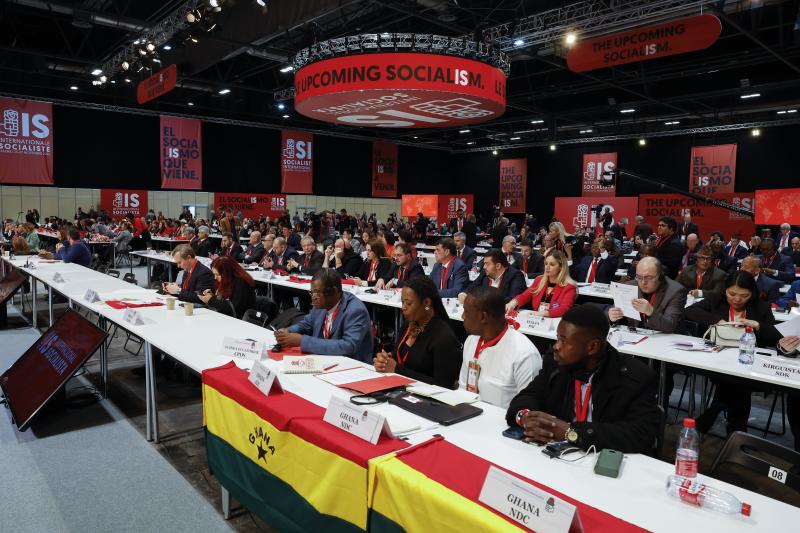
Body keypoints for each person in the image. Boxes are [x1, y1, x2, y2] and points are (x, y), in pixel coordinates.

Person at [506, 304, 661, 454]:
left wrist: (573, 433)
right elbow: (527, 396)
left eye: (564, 341)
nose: (556, 346)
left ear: (592, 347)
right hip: (557, 459)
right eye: (557, 338)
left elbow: (641, 434)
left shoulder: (636, 377)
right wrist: (526, 417)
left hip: (602, 460)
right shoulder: (555, 363)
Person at [685, 271, 788, 435]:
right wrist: (717, 321)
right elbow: (690, 311)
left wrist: (757, 325)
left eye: (744, 295)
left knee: (738, 382)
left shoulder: (761, 307)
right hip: (718, 361)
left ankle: (716, 410)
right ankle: (738, 429)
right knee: (736, 385)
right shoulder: (715, 300)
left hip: (749, 363)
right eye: (732, 294)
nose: (737, 299)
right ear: (725, 290)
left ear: (752, 294)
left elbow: (777, 335)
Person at [458, 286, 541, 408]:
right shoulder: (471, 341)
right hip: (467, 416)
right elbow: (462, 390)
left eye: (466, 311)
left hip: (505, 424)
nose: (462, 316)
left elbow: (529, 411)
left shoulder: (524, 354)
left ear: (483, 317)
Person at [373, 276, 462, 387]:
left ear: (426, 303)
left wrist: (397, 370)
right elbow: (397, 359)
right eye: (402, 302)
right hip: (399, 389)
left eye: (408, 303)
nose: (403, 308)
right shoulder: (408, 325)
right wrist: (384, 362)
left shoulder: (444, 337)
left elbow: (443, 385)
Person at [276, 269, 373, 362]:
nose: (313, 297)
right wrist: (288, 331)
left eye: (317, 292)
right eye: (312, 292)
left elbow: (348, 346)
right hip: (323, 360)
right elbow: (306, 324)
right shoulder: (321, 305)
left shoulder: (355, 310)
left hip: (351, 367)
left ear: (334, 291)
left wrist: (302, 341)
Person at [607, 257, 686, 333]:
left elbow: (670, 326)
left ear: (660, 276)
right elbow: (611, 314)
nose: (643, 282)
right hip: (633, 339)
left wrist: (650, 312)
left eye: (648, 277)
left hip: (662, 340)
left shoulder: (676, 291)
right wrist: (612, 317)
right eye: (639, 277)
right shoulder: (630, 286)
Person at [506, 250, 576, 317]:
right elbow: (525, 296)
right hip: (536, 320)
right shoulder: (539, 280)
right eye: (546, 264)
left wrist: (543, 314)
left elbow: (564, 309)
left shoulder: (569, 287)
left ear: (561, 267)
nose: (547, 267)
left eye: (552, 264)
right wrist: (513, 302)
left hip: (554, 322)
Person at [459, 249, 527, 304]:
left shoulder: (516, 275)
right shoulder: (485, 273)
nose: (484, 267)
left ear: (498, 266)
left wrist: (481, 301)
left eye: (487, 264)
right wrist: (464, 294)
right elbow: (473, 286)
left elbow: (513, 299)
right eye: (484, 264)